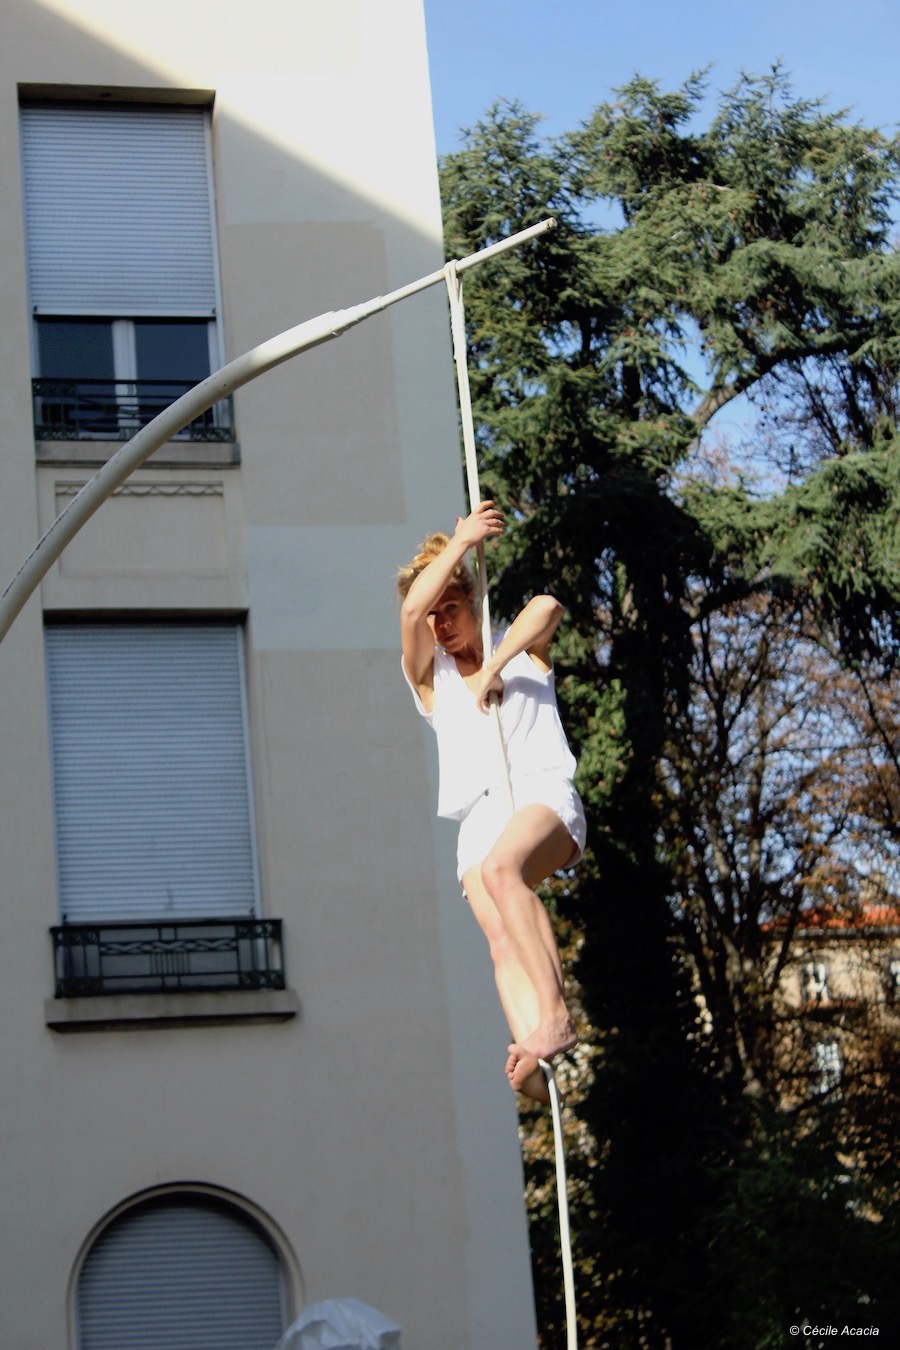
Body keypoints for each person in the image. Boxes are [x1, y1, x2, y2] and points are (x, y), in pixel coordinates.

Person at [397, 499, 586, 1104]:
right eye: (434, 617)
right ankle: (535, 1051)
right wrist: (460, 542)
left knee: (503, 872)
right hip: (478, 816)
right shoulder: (431, 679)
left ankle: (554, 1018)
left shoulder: (519, 646)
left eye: (451, 609)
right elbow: (410, 610)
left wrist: (496, 666)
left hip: (538, 790)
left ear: (473, 602)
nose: (440, 625)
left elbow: (549, 606)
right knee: (499, 935)